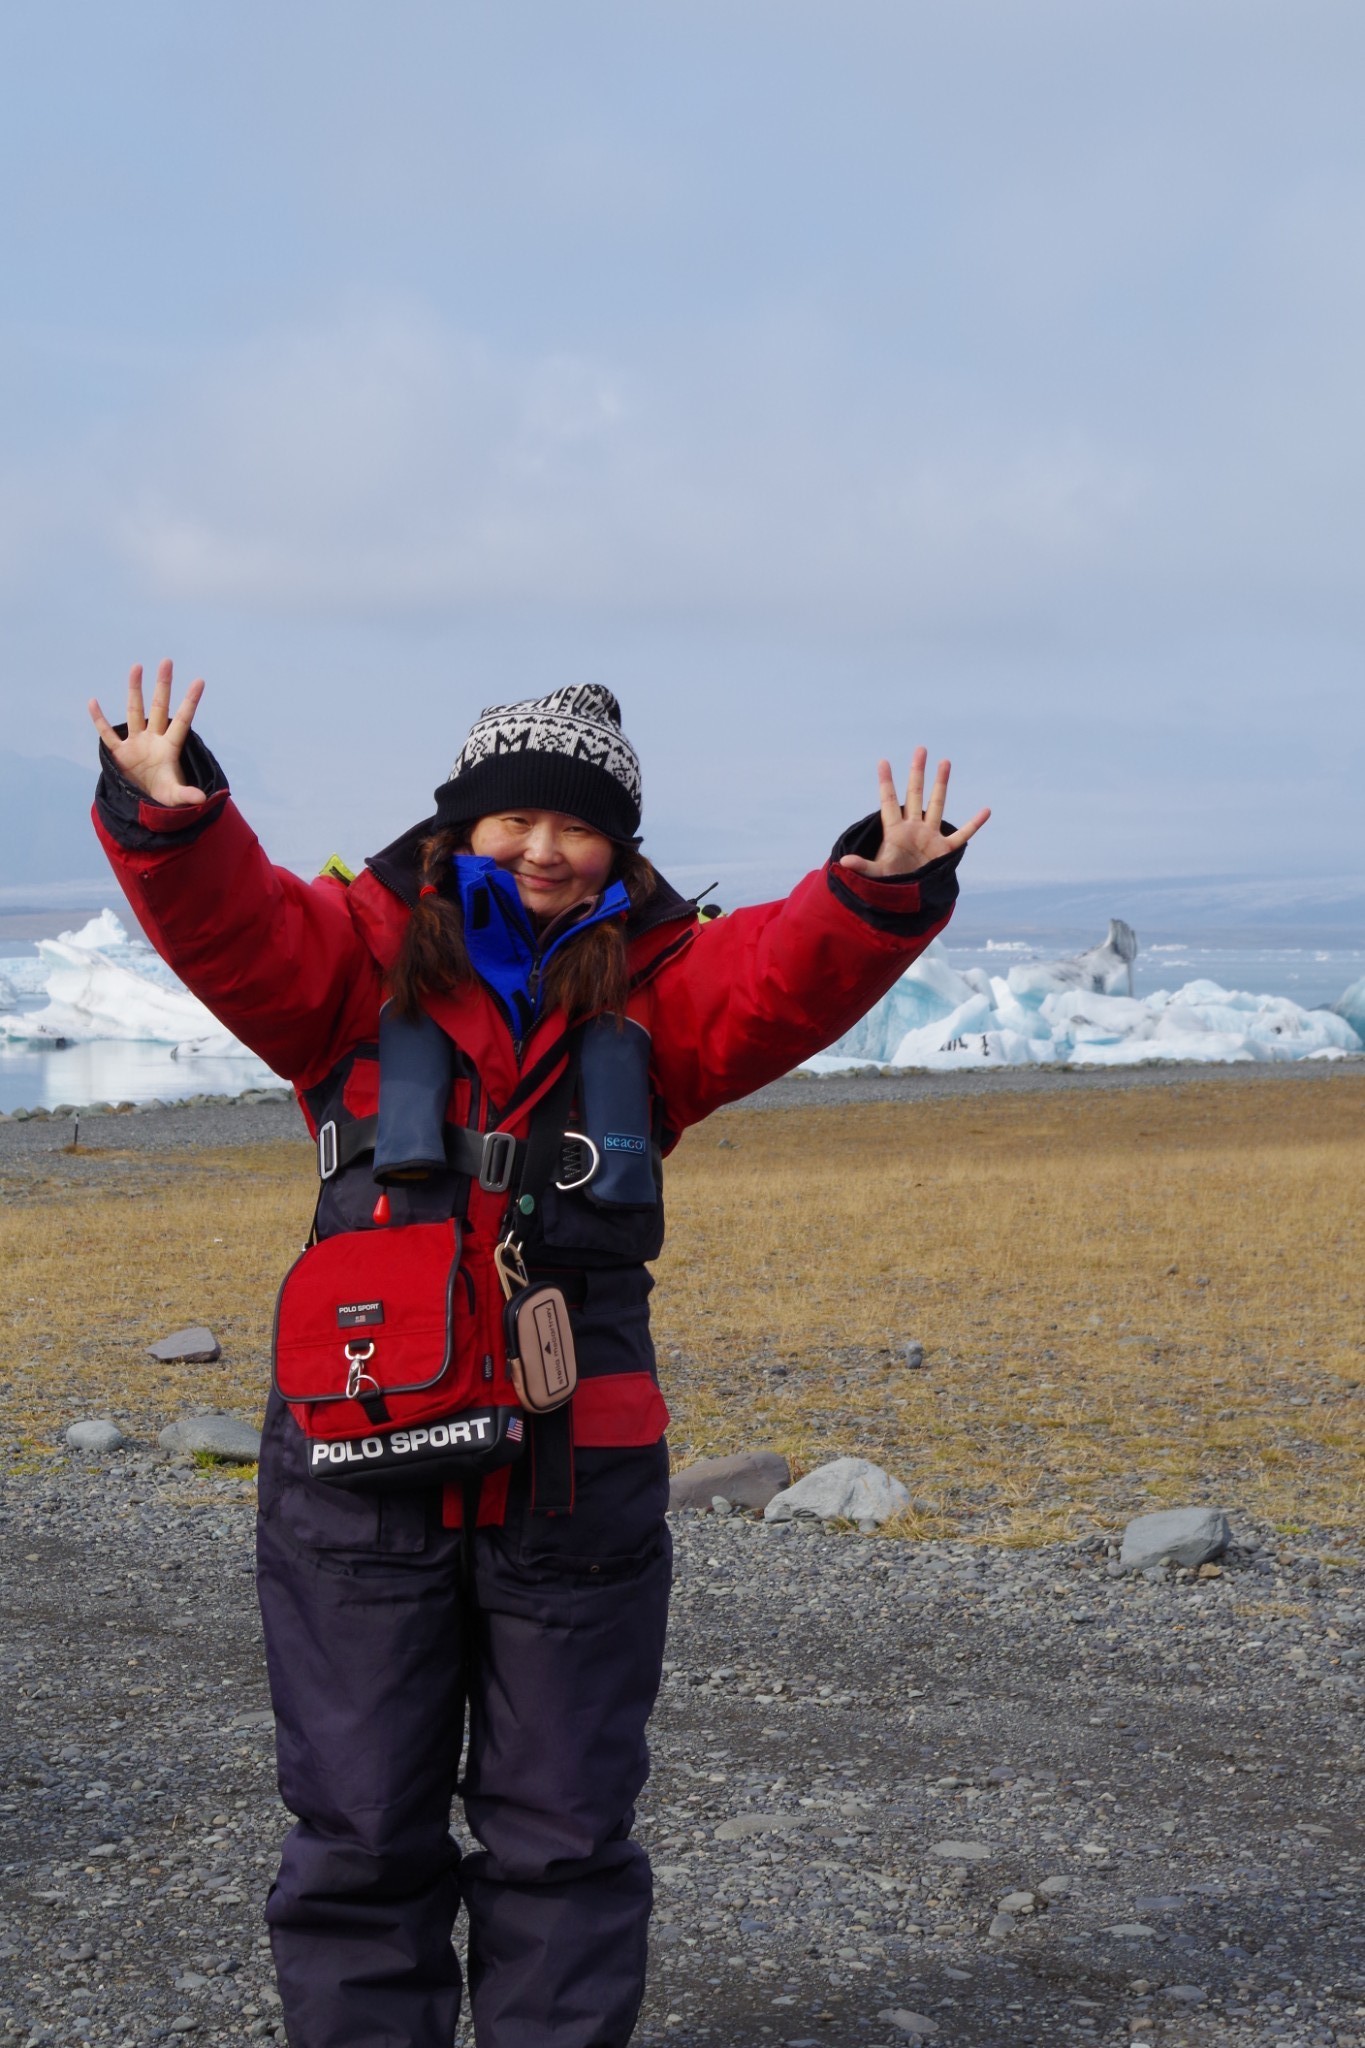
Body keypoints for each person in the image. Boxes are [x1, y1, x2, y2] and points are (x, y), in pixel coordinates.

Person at [89, 662, 990, 2048]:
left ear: (616, 845)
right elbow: (233, 927)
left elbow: (780, 979)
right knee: (357, 1831)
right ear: (458, 827)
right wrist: (171, 819)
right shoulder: (348, 962)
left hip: (578, 1467)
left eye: (577, 825)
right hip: (358, 1473)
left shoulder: (662, 995)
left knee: (563, 1835)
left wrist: (876, 891)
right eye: (514, 818)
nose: (544, 847)